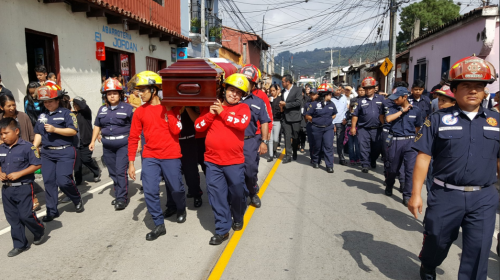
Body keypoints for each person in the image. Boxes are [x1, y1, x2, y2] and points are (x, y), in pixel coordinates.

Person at [408, 55, 499, 280]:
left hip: (484, 197)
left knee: (478, 250)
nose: (473, 91)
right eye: (466, 86)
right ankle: (428, 265)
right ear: (454, 91)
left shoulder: (496, 121)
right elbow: (423, 157)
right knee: (436, 241)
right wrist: (415, 194)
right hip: (446, 194)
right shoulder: (437, 119)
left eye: (479, 86)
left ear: (485, 92)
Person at [127, 71, 186, 241]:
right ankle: (159, 224)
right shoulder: (139, 112)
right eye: (139, 90)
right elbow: (133, 137)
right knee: (151, 191)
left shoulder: (171, 107)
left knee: (176, 188)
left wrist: (168, 111)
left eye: (143, 90)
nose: (140, 93)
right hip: (150, 156)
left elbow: (176, 130)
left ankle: (180, 208)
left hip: (171, 154)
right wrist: (131, 162)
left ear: (154, 90)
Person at [194, 73, 250, 245]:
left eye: (239, 93)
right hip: (212, 162)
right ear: (224, 90)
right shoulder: (213, 107)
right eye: (232, 90)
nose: (235, 94)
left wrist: (222, 112)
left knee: (237, 193)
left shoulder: (243, 109)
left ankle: (238, 215)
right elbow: (198, 126)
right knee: (217, 196)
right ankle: (222, 229)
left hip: (234, 162)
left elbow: (241, 124)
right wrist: (211, 114)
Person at [33, 85, 84, 222]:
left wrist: (55, 129)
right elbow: (38, 133)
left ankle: (76, 198)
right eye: (45, 102)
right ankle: (51, 210)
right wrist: (34, 147)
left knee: (63, 180)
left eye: (50, 101)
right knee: (49, 181)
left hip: (65, 151)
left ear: (57, 100)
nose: (47, 104)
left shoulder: (67, 113)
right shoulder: (42, 116)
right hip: (47, 153)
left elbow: (73, 131)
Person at [0, 118, 45, 257]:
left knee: (26, 215)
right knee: (13, 218)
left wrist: (20, 173)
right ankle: (20, 244)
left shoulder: (28, 147)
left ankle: (39, 230)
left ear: (16, 131)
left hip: (24, 187)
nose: (3, 136)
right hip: (7, 189)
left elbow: (37, 164)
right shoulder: (1, 148)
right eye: (1, 134)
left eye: (6, 133)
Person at [90, 79, 133, 210]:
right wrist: (92, 141)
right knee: (113, 172)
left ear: (120, 94)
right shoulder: (102, 109)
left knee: (120, 171)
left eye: (115, 93)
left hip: (123, 144)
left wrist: (137, 144)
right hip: (107, 145)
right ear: (105, 96)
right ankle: (119, 192)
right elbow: (97, 125)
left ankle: (121, 198)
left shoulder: (128, 108)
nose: (112, 96)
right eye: (109, 94)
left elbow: (135, 127)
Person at [383, 87, 423, 206]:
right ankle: (389, 184)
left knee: (409, 170)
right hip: (395, 141)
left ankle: (407, 195)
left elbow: (417, 127)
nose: (394, 101)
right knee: (393, 169)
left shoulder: (416, 110)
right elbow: (388, 119)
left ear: (405, 97)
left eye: (397, 99)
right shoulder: (392, 108)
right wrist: (402, 111)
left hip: (410, 142)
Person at [239, 65, 270, 208]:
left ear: (253, 84)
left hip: (251, 140)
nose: (245, 83)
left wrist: (264, 141)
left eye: (249, 81)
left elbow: (264, 121)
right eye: (243, 80)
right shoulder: (231, 97)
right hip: (232, 141)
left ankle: (252, 193)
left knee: (250, 170)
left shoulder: (258, 101)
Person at [350, 77, 384, 173]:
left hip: (378, 129)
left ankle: (372, 160)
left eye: (370, 88)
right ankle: (365, 164)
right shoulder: (359, 101)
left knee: (377, 148)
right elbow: (355, 115)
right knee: (363, 147)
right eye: (366, 88)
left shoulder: (381, 99)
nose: (368, 90)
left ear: (374, 88)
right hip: (363, 129)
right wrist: (353, 127)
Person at [305, 83, 337, 173]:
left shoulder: (332, 104)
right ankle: (316, 161)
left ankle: (329, 166)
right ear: (324, 94)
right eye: (330, 94)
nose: (331, 96)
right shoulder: (314, 104)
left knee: (328, 146)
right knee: (317, 146)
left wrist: (329, 120)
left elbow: (334, 114)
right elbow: (307, 116)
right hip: (317, 128)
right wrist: (315, 121)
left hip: (328, 128)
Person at [72, 96, 101, 186]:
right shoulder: (72, 115)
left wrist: (74, 99)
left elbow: (84, 106)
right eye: (74, 104)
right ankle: (78, 180)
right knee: (77, 163)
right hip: (76, 142)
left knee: (86, 159)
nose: (75, 106)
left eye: (77, 104)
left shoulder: (85, 113)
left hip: (86, 141)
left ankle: (96, 171)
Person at [178, 106, 203, 207]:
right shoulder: (169, 104)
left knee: (191, 172)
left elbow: (197, 120)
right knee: (175, 173)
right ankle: (173, 203)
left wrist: (187, 107)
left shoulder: (191, 105)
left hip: (189, 141)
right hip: (173, 142)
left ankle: (196, 194)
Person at [280, 74, 303, 163]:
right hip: (285, 118)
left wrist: (286, 105)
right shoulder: (283, 92)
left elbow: (298, 103)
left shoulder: (297, 90)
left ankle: (294, 152)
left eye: (283, 81)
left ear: (288, 82)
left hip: (295, 118)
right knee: (287, 137)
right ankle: (288, 156)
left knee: (295, 137)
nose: (282, 83)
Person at [332, 85, 348, 165]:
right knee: (329, 141)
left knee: (340, 141)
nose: (338, 91)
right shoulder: (330, 98)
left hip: (341, 122)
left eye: (339, 90)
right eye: (336, 90)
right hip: (331, 123)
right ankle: (328, 157)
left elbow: (346, 109)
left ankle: (341, 158)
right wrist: (333, 123)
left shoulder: (344, 97)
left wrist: (345, 119)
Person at [268, 85, 282, 161]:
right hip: (270, 121)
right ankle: (271, 155)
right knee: (270, 139)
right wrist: (268, 101)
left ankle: (274, 150)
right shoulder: (269, 99)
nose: (272, 92)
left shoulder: (280, 99)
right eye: (271, 91)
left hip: (277, 121)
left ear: (277, 90)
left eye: (273, 90)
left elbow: (282, 111)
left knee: (275, 139)